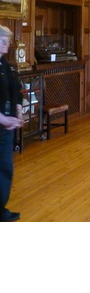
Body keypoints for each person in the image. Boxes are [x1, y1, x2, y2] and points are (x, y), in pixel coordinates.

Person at [0, 25, 23, 222]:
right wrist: (2, 118)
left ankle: (1, 209)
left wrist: (18, 108)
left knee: (5, 168)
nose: (8, 45)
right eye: (4, 41)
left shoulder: (4, 64)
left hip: (6, 127)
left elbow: (15, 86)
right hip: (2, 122)